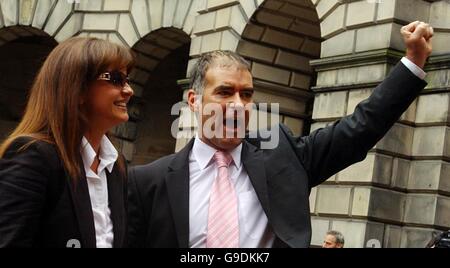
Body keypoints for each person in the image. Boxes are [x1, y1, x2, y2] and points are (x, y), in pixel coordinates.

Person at [127, 21, 433, 248]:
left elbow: (359, 128)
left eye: (246, 95)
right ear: (193, 101)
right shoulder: (148, 181)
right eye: (224, 92)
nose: (238, 105)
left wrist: (414, 62)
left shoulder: (283, 154)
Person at [0, 37, 134, 248]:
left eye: (127, 80)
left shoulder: (116, 166)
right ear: (78, 88)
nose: (128, 91)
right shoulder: (32, 156)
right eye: (116, 79)